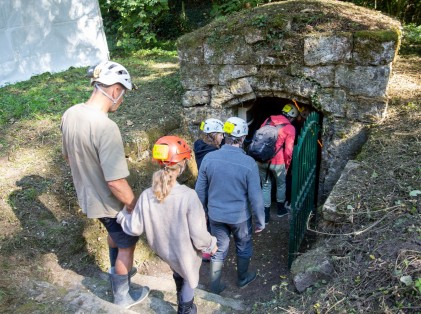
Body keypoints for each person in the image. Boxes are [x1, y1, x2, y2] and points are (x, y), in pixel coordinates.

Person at [60, 61, 149, 308]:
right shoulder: (106, 127)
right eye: (124, 92)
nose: (123, 99)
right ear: (113, 89)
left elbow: (68, 156)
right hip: (108, 202)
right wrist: (133, 205)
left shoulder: (71, 113)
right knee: (127, 244)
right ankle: (122, 296)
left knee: (114, 235)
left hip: (86, 195)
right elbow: (116, 181)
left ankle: (114, 275)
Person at [117, 136, 218, 313]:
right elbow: (199, 236)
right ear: (183, 165)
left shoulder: (147, 194)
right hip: (185, 252)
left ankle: (181, 297)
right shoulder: (188, 196)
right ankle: (185, 308)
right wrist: (211, 244)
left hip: (163, 249)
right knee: (189, 276)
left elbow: (134, 227)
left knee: (178, 271)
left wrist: (122, 214)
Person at [195, 117, 265, 294]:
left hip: (216, 215)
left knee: (218, 246)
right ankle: (242, 278)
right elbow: (256, 197)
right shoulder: (249, 163)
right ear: (242, 139)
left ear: (225, 135)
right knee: (243, 244)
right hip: (240, 217)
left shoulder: (209, 158)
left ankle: (215, 285)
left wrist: (201, 212)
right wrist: (260, 221)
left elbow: (199, 191)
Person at [257, 104, 298, 223]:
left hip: (262, 159)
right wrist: (287, 166)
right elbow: (289, 151)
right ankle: (280, 210)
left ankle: (266, 216)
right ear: (292, 117)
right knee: (281, 184)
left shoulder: (268, 120)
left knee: (265, 185)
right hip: (278, 161)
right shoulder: (290, 128)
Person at [193, 118, 224, 261]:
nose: (222, 137)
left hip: (202, 184)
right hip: (211, 189)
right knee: (210, 219)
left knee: (204, 217)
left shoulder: (199, 145)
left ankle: (204, 247)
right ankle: (208, 251)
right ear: (212, 135)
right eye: (220, 134)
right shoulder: (213, 154)